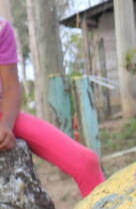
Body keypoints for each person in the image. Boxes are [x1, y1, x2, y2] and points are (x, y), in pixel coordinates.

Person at [0, 18, 104, 197]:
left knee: (86, 163)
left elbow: (11, 87)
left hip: (3, 113)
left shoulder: (1, 28)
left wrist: (6, 125)